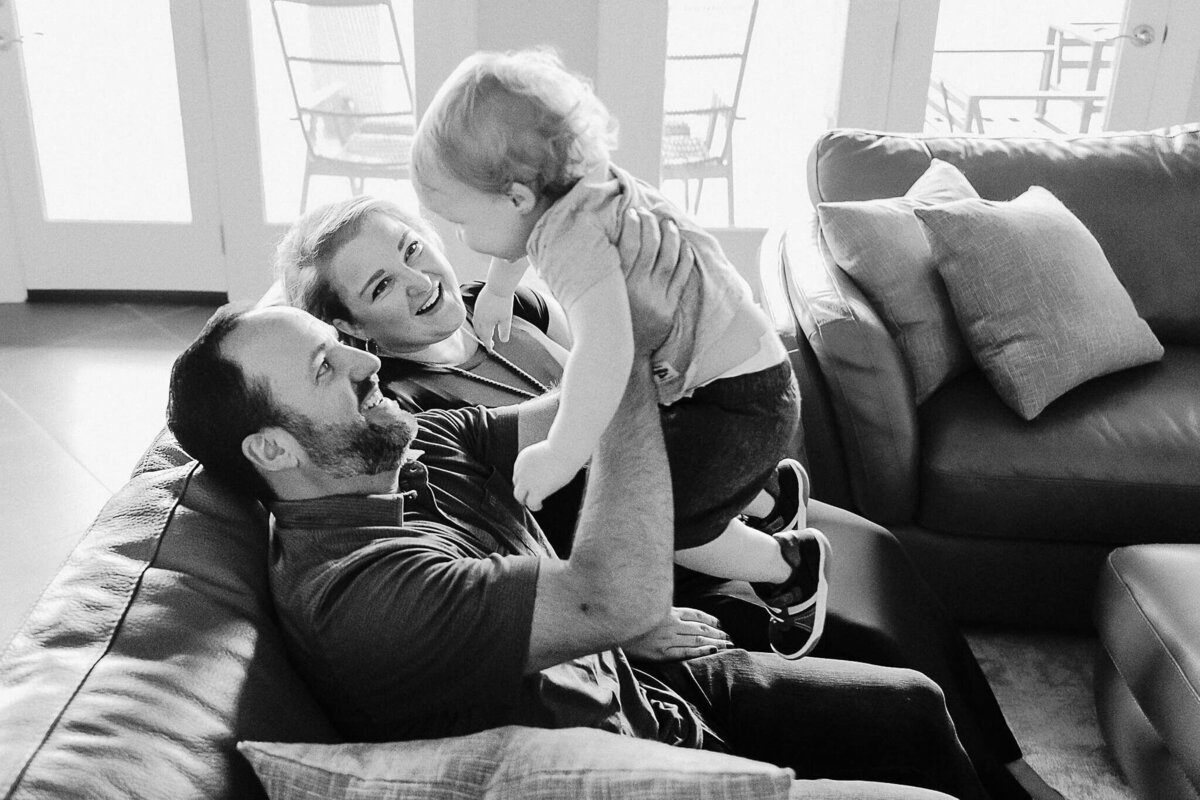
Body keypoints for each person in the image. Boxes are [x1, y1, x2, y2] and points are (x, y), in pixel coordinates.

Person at [275, 195, 1067, 800]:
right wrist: (638, 616)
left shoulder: (505, 304)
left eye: (414, 251)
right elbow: (537, 537)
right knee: (862, 626)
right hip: (630, 545)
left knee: (871, 548)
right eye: (384, 284)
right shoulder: (413, 411)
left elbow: (618, 366)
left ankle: (1001, 766)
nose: (419, 282)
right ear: (356, 334)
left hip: (668, 494)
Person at [165, 301, 990, 799]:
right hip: (632, 772)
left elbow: (574, 416)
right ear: (275, 451)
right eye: (325, 364)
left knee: (911, 703)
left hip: (657, 696)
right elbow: (615, 595)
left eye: (340, 338)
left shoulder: (417, 448)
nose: (364, 356)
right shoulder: (361, 595)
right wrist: (621, 360)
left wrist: (645, 331)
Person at [409, 48, 829, 659]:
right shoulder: (589, 187)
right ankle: (772, 495)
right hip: (749, 374)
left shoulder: (567, 241)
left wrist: (563, 452)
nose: (464, 242)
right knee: (679, 456)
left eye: (461, 223)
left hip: (731, 403)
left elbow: (607, 351)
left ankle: (791, 567)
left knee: (666, 524)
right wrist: (500, 288)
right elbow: (521, 237)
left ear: (519, 199)